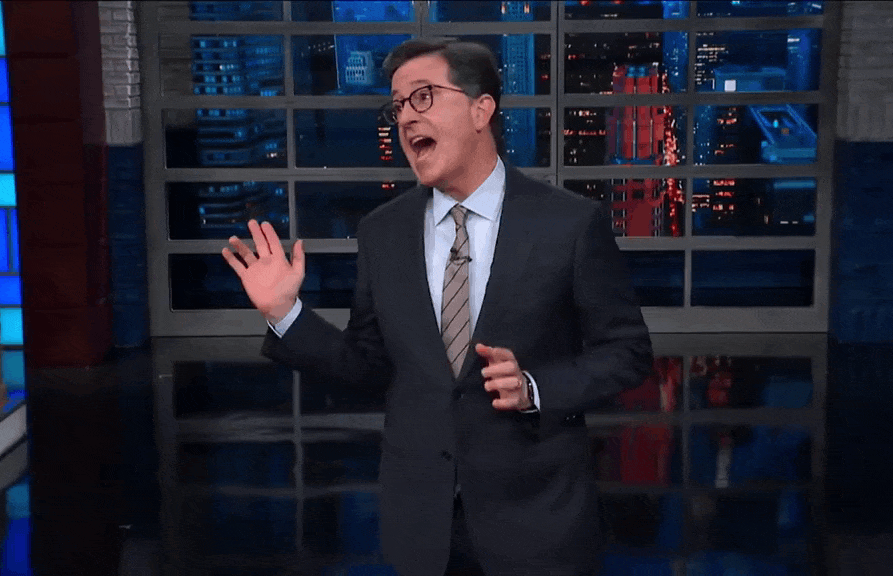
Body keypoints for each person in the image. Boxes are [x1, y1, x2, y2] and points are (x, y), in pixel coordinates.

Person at [222, 37, 653, 576]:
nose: (405, 118)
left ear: (480, 109)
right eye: (397, 106)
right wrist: (285, 314)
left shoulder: (569, 224)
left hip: (537, 520)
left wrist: (534, 388)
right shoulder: (382, 232)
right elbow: (369, 365)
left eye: (423, 97)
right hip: (422, 527)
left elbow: (627, 352)